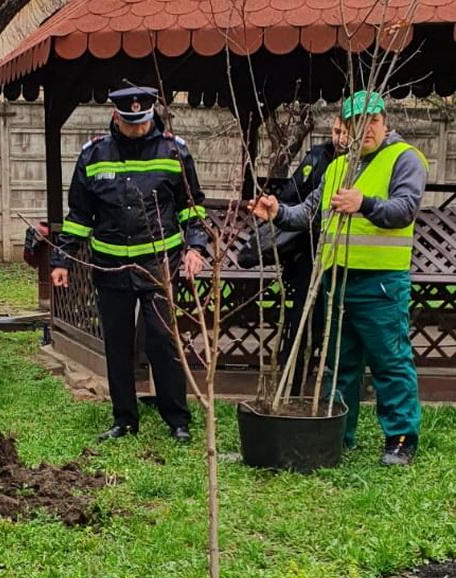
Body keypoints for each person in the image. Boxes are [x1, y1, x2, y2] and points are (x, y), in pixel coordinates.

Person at [249, 91, 427, 466]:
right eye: (354, 124)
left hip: (379, 282)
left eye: (371, 121)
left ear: (383, 120)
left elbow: (405, 209)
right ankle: (338, 433)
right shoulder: (336, 167)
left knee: (389, 362)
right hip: (337, 281)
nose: (364, 130)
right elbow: (309, 213)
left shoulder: (405, 158)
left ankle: (400, 439)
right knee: (339, 363)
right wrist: (278, 210)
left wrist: (364, 203)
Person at [51, 85, 208, 443]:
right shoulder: (93, 155)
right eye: (129, 121)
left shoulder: (174, 151)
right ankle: (124, 419)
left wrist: (195, 247)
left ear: (151, 115)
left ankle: (177, 420)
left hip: (159, 264)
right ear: (115, 117)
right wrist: (61, 258)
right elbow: (79, 214)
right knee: (117, 345)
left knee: (163, 343)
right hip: (110, 266)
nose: (136, 127)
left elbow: (191, 208)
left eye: (142, 121)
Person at [239, 117, 351, 393]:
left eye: (345, 132)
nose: (339, 138)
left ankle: (335, 389)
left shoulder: (362, 165)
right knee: (303, 321)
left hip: (347, 257)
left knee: (340, 326)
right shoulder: (318, 157)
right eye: (336, 131)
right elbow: (294, 201)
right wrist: (278, 214)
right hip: (308, 254)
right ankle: (293, 387)